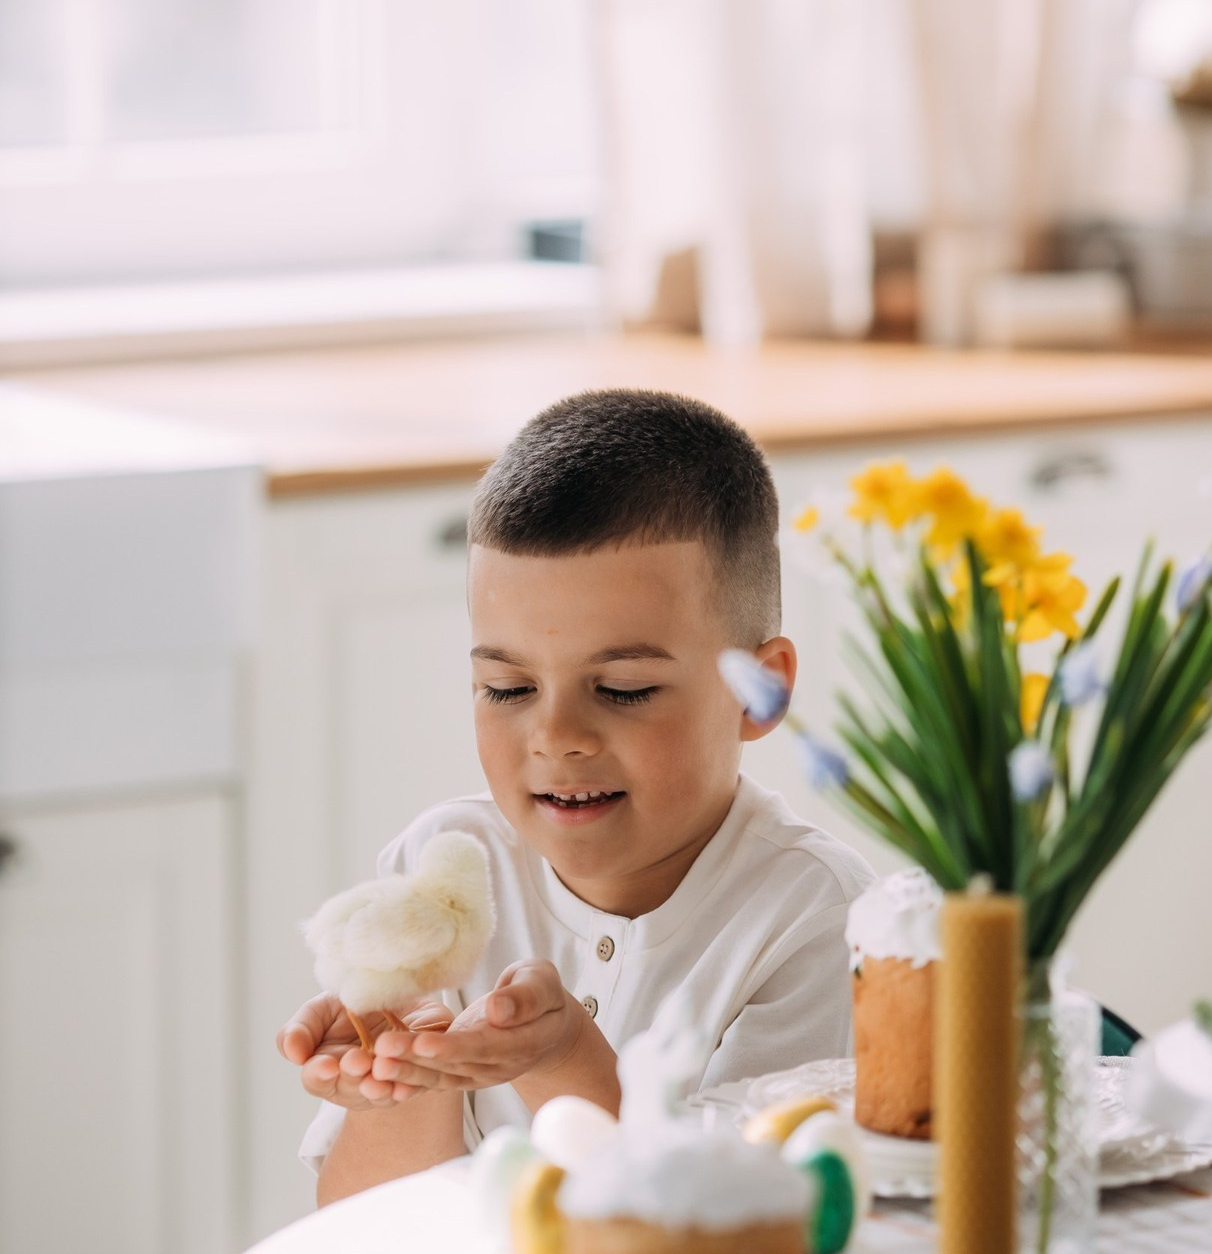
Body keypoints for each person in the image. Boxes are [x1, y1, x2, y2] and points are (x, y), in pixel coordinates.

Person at [277, 389, 876, 1204]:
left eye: (624, 688)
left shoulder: (815, 918)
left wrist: (561, 1059)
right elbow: (365, 1220)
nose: (556, 735)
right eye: (507, 686)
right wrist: (404, 1075)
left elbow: (729, 1229)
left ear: (756, 692)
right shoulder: (449, 868)